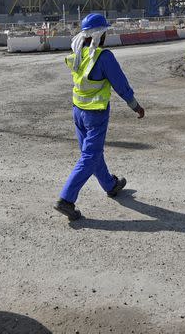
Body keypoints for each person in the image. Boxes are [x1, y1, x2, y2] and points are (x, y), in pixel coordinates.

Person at [54, 13, 145, 220]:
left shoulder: (78, 53)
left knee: (92, 153)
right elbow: (121, 85)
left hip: (78, 111)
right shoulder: (103, 57)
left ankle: (110, 185)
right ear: (100, 35)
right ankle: (66, 200)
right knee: (90, 156)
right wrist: (135, 106)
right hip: (95, 113)